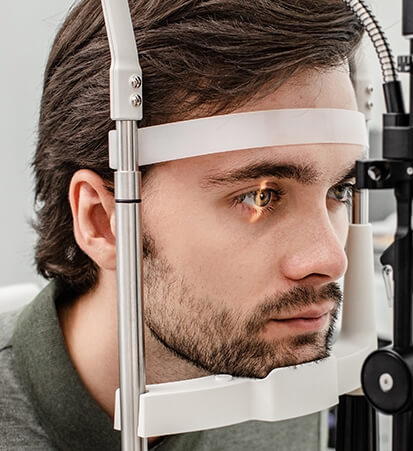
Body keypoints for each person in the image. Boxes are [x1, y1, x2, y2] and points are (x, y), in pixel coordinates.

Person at [0, 0, 364, 449]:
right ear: (102, 221)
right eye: (260, 197)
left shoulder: (279, 379)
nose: (330, 259)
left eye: (339, 191)